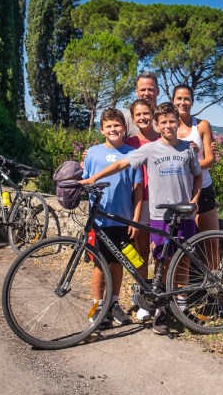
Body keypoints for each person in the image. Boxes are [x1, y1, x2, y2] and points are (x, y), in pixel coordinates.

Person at [81, 102, 202, 335]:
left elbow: (198, 176)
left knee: (182, 260)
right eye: (163, 122)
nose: (168, 125)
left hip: (184, 213)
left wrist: (195, 200)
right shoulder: (149, 149)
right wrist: (92, 178)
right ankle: (161, 310)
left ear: (178, 122)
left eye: (172, 121)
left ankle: (180, 308)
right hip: (159, 214)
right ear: (157, 126)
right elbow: (120, 164)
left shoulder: (187, 148)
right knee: (160, 261)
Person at [83, 108, 143, 328]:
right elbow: (86, 180)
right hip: (98, 221)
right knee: (99, 264)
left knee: (118, 263)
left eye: (117, 125)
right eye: (108, 126)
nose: (113, 129)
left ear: (124, 128)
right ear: (102, 130)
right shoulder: (92, 153)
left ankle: (114, 303)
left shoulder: (132, 153)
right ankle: (98, 305)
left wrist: (135, 219)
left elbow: (138, 190)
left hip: (123, 219)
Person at [124, 98, 160, 321]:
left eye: (146, 113)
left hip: (160, 202)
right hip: (138, 202)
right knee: (142, 252)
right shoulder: (129, 141)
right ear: (133, 118)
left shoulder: (162, 137)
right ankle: (143, 297)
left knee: (160, 253)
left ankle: (160, 297)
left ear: (153, 113)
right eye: (138, 115)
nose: (143, 118)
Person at [172, 84, 220, 234]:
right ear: (173, 101)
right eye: (179, 98)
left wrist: (188, 166)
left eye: (186, 99)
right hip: (178, 190)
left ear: (192, 102)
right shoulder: (167, 127)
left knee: (211, 242)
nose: (182, 102)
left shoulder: (202, 125)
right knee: (181, 243)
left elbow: (210, 160)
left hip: (203, 188)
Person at [123, 71, 159, 137]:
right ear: (137, 92)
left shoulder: (165, 116)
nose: (146, 93)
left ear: (158, 91)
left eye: (150, 89)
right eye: (143, 90)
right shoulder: (126, 118)